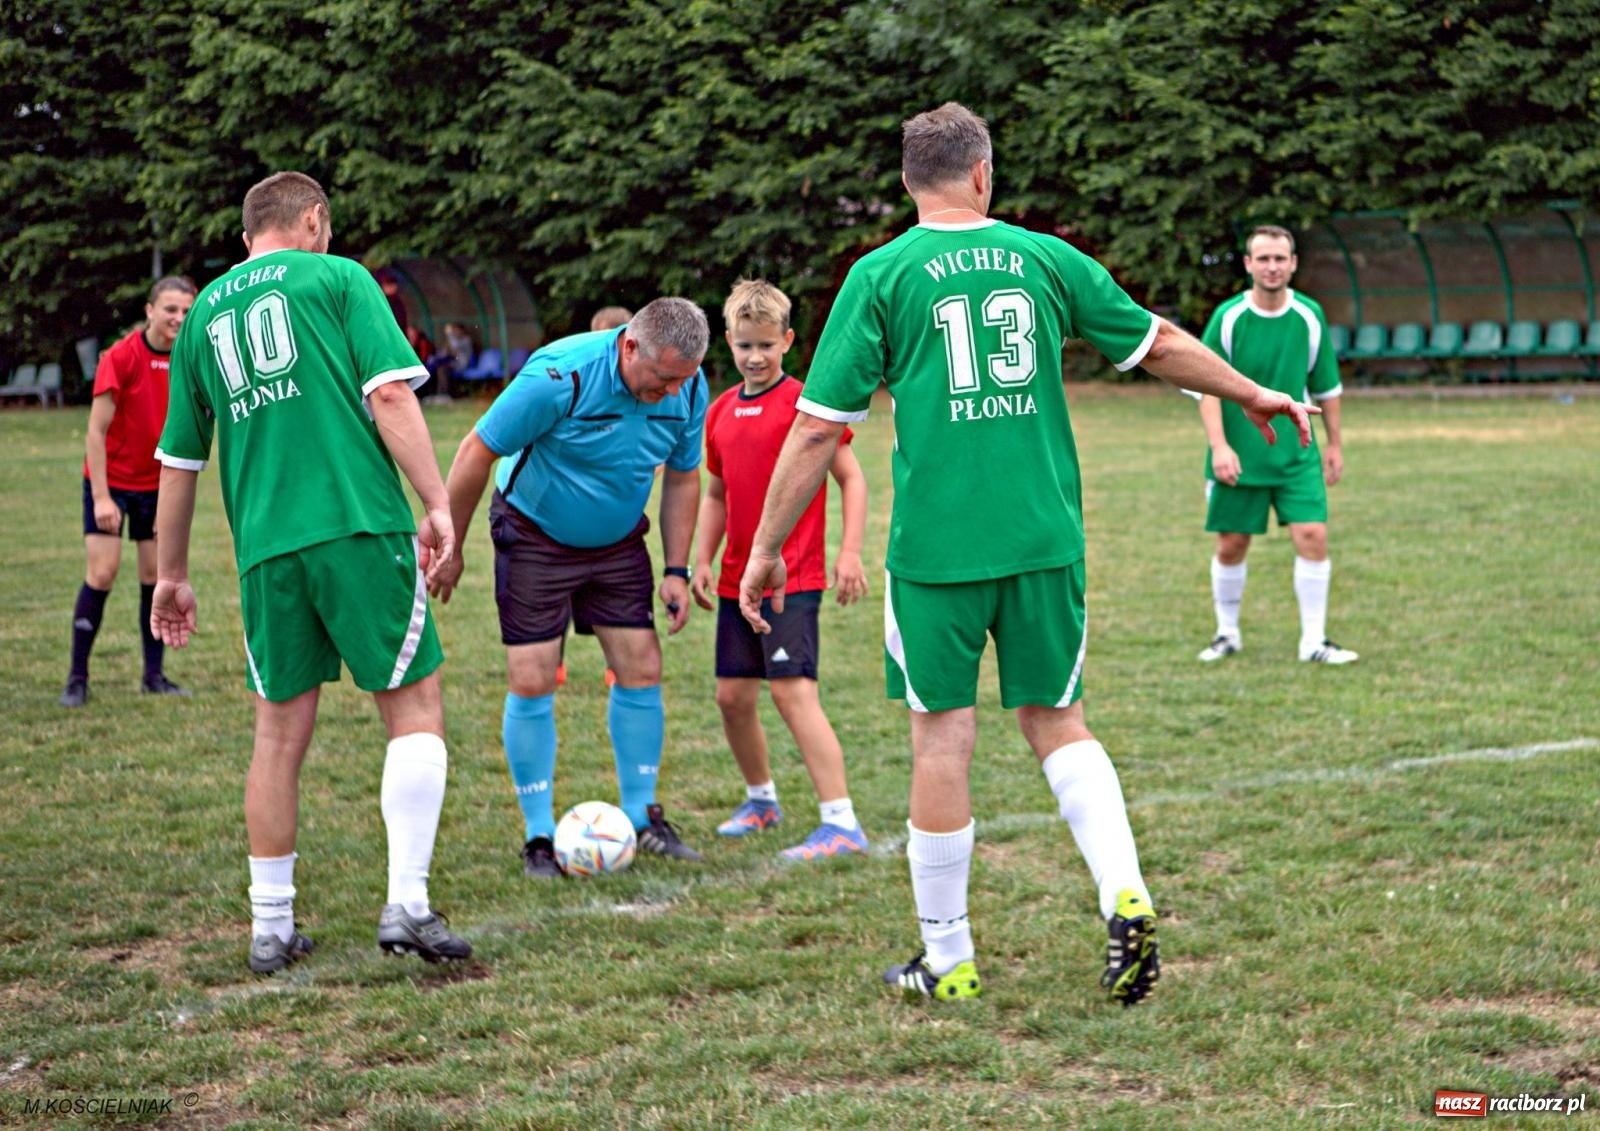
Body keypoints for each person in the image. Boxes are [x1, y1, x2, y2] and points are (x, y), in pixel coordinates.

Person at [739, 102, 1320, 1004]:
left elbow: (818, 432)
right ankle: (1124, 891)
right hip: (1045, 539)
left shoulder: (880, 272)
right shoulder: (1043, 255)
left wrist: (767, 548)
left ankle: (949, 959)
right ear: (983, 174)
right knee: (1059, 718)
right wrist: (1253, 391)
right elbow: (1156, 342)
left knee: (943, 738)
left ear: (908, 182)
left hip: (937, 553)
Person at [150, 171, 471, 973]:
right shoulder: (339, 276)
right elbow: (391, 399)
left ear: (249, 234)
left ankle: (270, 926)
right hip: (359, 523)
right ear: (315, 220)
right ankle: (408, 902)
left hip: (265, 548)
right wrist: (437, 505)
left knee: (277, 735)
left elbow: (180, 462)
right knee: (413, 704)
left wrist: (172, 573)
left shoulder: (199, 320)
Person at [432, 297, 710, 878]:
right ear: (629, 346)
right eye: (659, 380)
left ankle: (642, 816)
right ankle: (538, 837)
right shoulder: (558, 376)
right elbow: (475, 451)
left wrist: (676, 569)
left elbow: (684, 475)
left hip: (616, 541)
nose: (669, 393)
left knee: (642, 665)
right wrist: (449, 548)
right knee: (532, 676)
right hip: (535, 533)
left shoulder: (686, 383)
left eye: (679, 382)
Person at [691, 279, 870, 860]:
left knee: (793, 693)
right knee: (732, 697)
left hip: (791, 577)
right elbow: (715, 494)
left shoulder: (806, 405)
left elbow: (852, 478)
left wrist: (849, 552)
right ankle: (761, 800)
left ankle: (840, 822)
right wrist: (701, 557)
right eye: (745, 345)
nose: (756, 356)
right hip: (733, 580)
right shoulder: (718, 412)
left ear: (788, 340)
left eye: (767, 344)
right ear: (728, 343)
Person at [1193, 225, 1356, 665]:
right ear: (1248, 264)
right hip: (1239, 456)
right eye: (1263, 258)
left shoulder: (1309, 315)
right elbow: (1206, 387)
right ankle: (1226, 634)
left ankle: (1314, 643)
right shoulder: (1228, 317)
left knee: (1313, 535)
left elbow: (1327, 388)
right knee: (1231, 544)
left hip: (1296, 455)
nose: (1271, 266)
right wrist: (1220, 447)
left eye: (1280, 258)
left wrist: (1335, 445)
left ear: (1293, 263)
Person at [61, 275, 199, 709]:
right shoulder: (120, 357)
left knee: (154, 577)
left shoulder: (189, 358)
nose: (178, 318)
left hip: (157, 486)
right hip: (111, 482)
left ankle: (153, 676)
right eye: (171, 309)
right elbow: (96, 432)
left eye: (186, 311)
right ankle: (77, 679)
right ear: (150, 311)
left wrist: (168, 504)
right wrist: (102, 497)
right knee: (102, 572)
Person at [554, 304, 636, 690]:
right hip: (565, 521)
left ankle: (614, 665)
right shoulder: (575, 382)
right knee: (558, 601)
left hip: (611, 526)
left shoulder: (636, 397)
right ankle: (556, 664)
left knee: (610, 603)